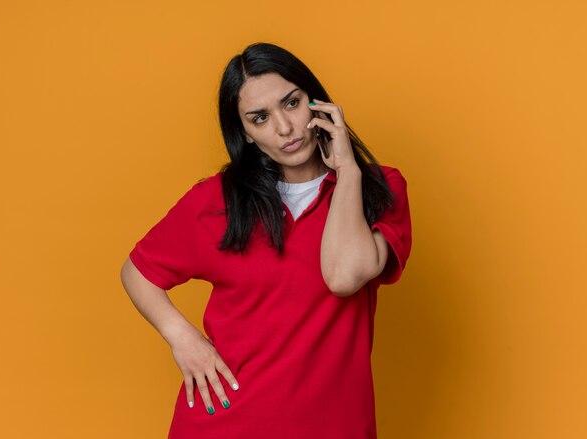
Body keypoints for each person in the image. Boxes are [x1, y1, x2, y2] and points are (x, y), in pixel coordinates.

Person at [120, 42, 412, 439]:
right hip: (223, 422)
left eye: (292, 103)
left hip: (332, 427)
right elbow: (139, 271)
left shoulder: (378, 188)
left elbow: (344, 276)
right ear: (247, 134)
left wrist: (348, 171)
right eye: (260, 118)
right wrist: (183, 339)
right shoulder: (216, 200)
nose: (284, 128)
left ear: (317, 103)